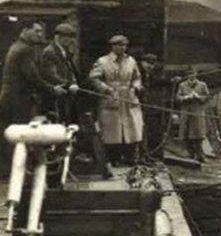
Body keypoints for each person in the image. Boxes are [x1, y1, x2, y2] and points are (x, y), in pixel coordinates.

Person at [0, 20, 65, 170]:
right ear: (25, 30)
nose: (39, 34)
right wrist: (53, 89)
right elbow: (32, 77)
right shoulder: (24, 49)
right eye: (36, 31)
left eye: (41, 31)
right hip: (17, 100)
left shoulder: (17, 46)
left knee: (11, 136)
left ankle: (10, 172)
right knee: (20, 136)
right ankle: (17, 172)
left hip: (11, 98)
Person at [88, 34, 144, 167]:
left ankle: (130, 158)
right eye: (119, 45)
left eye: (125, 45)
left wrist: (135, 87)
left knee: (132, 129)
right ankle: (114, 159)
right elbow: (93, 78)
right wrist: (106, 89)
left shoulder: (131, 61)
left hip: (129, 99)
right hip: (111, 98)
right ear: (113, 46)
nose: (123, 48)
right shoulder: (102, 61)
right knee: (112, 131)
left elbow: (137, 77)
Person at [39, 22, 81, 125]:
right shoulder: (50, 52)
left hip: (66, 95)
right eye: (67, 37)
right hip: (55, 97)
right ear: (58, 37)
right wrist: (69, 84)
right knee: (57, 125)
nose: (71, 40)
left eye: (72, 37)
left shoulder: (65, 51)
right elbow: (51, 75)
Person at [139, 53, 171, 158]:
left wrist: (172, 81)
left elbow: (158, 82)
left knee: (152, 130)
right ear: (142, 62)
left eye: (152, 64)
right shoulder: (137, 73)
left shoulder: (150, 75)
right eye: (148, 63)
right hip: (137, 106)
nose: (150, 66)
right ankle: (142, 154)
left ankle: (150, 154)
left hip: (148, 107)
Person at [175, 66, 211, 162]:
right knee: (186, 133)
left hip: (197, 111)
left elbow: (207, 96)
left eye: (192, 73)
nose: (191, 75)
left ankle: (200, 155)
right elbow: (177, 98)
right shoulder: (182, 85)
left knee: (199, 133)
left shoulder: (202, 85)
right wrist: (186, 97)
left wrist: (199, 97)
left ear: (196, 74)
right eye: (189, 74)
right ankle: (191, 154)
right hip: (186, 111)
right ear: (186, 75)